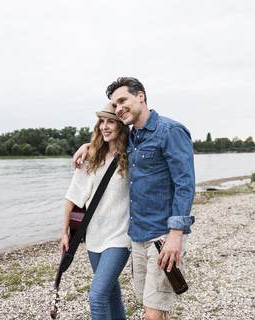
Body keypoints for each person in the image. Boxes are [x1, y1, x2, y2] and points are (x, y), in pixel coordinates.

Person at [73, 77, 196, 320]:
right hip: (137, 235)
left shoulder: (170, 131)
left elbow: (185, 184)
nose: (118, 108)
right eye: (115, 104)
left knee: (151, 311)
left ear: (140, 96)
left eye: (122, 100)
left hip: (162, 236)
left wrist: (175, 235)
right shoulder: (133, 138)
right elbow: (109, 140)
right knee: (150, 302)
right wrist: (89, 145)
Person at [61, 102, 132, 320]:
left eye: (111, 121)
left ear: (121, 125)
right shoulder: (90, 158)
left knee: (97, 296)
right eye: (102, 121)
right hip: (93, 237)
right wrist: (65, 232)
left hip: (120, 237)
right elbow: (73, 196)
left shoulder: (131, 156)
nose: (105, 126)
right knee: (111, 294)